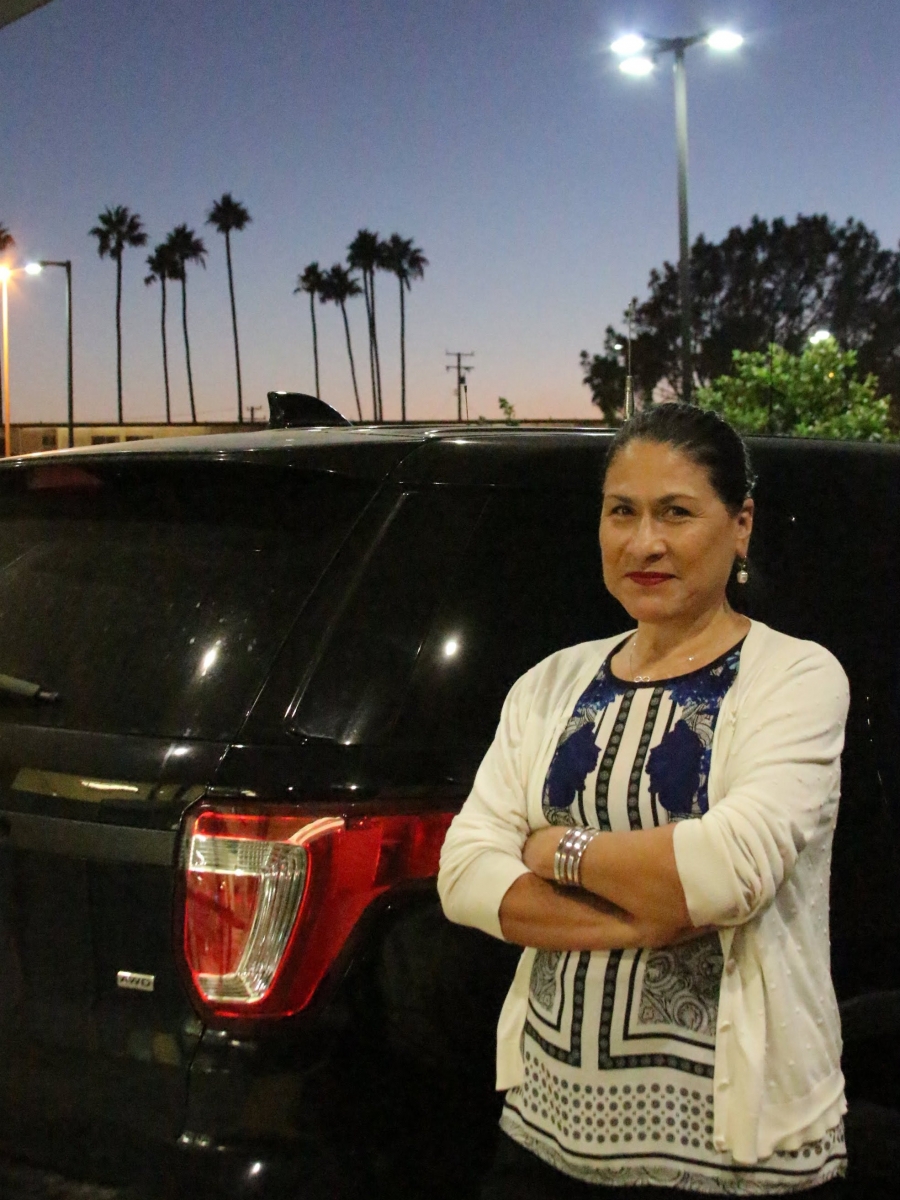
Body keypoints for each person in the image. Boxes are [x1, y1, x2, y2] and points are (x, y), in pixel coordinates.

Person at [438, 404, 850, 1198]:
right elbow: (462, 874)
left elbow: (724, 871)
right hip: (546, 1131)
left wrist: (550, 849)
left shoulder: (796, 678)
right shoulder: (552, 683)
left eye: (676, 513)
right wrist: (647, 914)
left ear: (742, 525)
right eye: (620, 511)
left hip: (736, 1155)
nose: (643, 543)